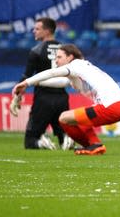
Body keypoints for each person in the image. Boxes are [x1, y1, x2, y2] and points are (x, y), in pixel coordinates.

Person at [12, 44, 120, 155]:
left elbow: (52, 73)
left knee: (64, 118)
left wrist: (26, 82)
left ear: (70, 57)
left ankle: (93, 145)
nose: (56, 60)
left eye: (59, 57)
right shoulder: (82, 68)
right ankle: (94, 146)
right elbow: (61, 82)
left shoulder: (75, 65)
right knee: (78, 118)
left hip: (110, 107)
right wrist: (30, 84)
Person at [15, 17, 72, 150]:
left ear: (47, 31)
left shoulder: (36, 50)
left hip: (43, 99)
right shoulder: (65, 50)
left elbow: (26, 76)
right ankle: (67, 140)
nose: (34, 31)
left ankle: (42, 142)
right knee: (63, 134)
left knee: (30, 141)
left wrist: (17, 95)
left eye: (37, 29)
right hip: (62, 98)